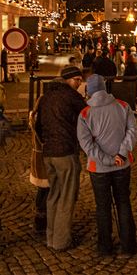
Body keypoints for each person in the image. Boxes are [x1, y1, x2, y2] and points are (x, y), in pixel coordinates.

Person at [77, 75, 137, 256]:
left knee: (102, 206)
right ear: (105, 87)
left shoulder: (85, 114)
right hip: (122, 164)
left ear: (89, 91)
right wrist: (121, 153)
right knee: (123, 203)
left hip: (99, 168)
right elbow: (133, 132)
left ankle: (105, 246)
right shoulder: (123, 106)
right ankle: (129, 245)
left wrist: (106, 159)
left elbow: (87, 145)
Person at [34, 65, 88, 250]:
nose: (79, 83)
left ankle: (51, 237)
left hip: (48, 153)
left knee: (53, 196)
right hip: (65, 153)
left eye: (81, 80)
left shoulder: (46, 96)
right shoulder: (71, 96)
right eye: (77, 80)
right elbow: (88, 116)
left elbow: (38, 125)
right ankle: (61, 241)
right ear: (67, 79)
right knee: (66, 197)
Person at [28, 104, 49, 234]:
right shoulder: (40, 122)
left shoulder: (34, 117)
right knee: (46, 189)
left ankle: (40, 219)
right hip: (43, 158)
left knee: (42, 189)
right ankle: (41, 221)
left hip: (38, 158)